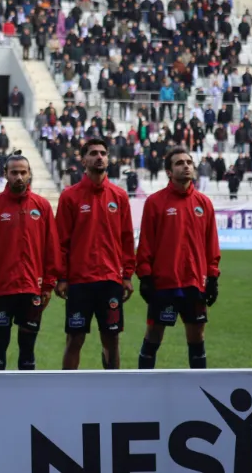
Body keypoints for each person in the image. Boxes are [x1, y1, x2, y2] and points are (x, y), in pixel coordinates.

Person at [136, 146, 220, 370]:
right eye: (179, 163)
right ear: (169, 172)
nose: (186, 166)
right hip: (165, 283)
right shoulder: (155, 202)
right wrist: (145, 276)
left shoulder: (204, 203)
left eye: (189, 162)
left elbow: (211, 244)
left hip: (194, 281)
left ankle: (199, 389)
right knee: (154, 334)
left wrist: (212, 277)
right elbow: (146, 243)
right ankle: (142, 387)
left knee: (197, 336)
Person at [54, 139, 135, 370]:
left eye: (103, 153)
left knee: (111, 338)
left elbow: (127, 239)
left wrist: (127, 275)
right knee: (75, 339)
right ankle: (68, 390)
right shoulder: (70, 196)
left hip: (110, 281)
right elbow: (61, 241)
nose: (99, 157)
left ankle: (113, 389)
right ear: (83, 160)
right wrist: (61, 277)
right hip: (80, 282)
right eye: (93, 153)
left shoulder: (119, 196)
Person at [0, 153, 60, 371]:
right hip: (1, 291)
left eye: (23, 172)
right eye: (14, 173)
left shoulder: (41, 206)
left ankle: (26, 399)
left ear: (30, 173)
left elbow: (51, 248)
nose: (19, 177)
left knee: (27, 348)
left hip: (32, 289)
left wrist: (48, 285)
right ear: (5, 174)